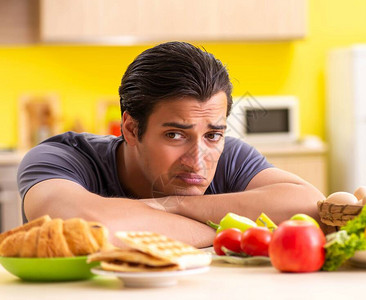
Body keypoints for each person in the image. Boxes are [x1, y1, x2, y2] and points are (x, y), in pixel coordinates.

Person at [17, 42, 327, 248]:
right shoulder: (61, 157)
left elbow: (309, 205)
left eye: (213, 135)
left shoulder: (228, 154)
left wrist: (171, 205)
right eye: (175, 135)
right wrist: (221, 229)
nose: (197, 160)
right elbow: (83, 226)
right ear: (131, 129)